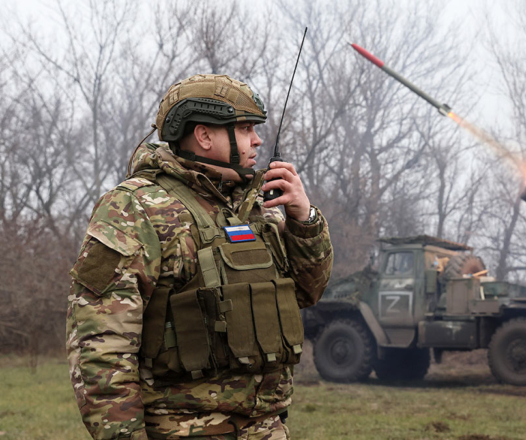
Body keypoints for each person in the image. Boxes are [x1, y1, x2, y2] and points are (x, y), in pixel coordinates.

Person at [66, 74, 333, 439]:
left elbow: (307, 292)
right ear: (204, 135)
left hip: (267, 428)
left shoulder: (258, 208)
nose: (257, 140)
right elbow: (101, 347)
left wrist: (305, 219)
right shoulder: (135, 208)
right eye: (244, 128)